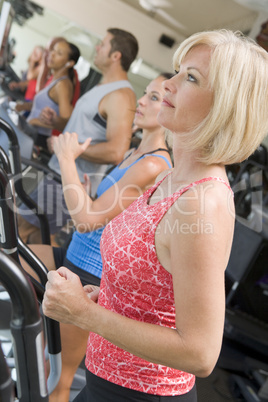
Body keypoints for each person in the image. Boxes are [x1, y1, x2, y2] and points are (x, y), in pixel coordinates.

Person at [42, 29, 268, 402]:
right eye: (179, 70)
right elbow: (156, 292)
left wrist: (86, 315)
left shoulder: (203, 202)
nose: (169, 85)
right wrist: (110, 297)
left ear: (224, 106)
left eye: (191, 78)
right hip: (103, 378)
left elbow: (200, 353)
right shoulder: (168, 178)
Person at [22, 73, 173, 402]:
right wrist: (88, 192)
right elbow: (101, 213)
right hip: (74, 256)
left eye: (155, 98)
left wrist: (66, 158)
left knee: (57, 378)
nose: (142, 102)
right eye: (145, 94)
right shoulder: (134, 153)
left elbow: (86, 221)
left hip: (90, 274)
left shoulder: (155, 164)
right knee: (13, 259)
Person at [18, 28, 138, 244]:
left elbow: (116, 150)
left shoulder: (121, 95)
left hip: (69, 180)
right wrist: (56, 124)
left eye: (102, 44)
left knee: (20, 229)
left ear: (115, 56)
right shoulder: (103, 87)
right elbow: (85, 129)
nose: (97, 47)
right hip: (60, 176)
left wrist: (68, 150)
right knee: (38, 238)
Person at [25, 39, 80, 150]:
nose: (52, 54)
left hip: (39, 139)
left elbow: (66, 123)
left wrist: (34, 121)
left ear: (69, 63)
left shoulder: (62, 85)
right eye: (53, 50)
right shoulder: (56, 79)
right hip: (32, 134)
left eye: (59, 53)